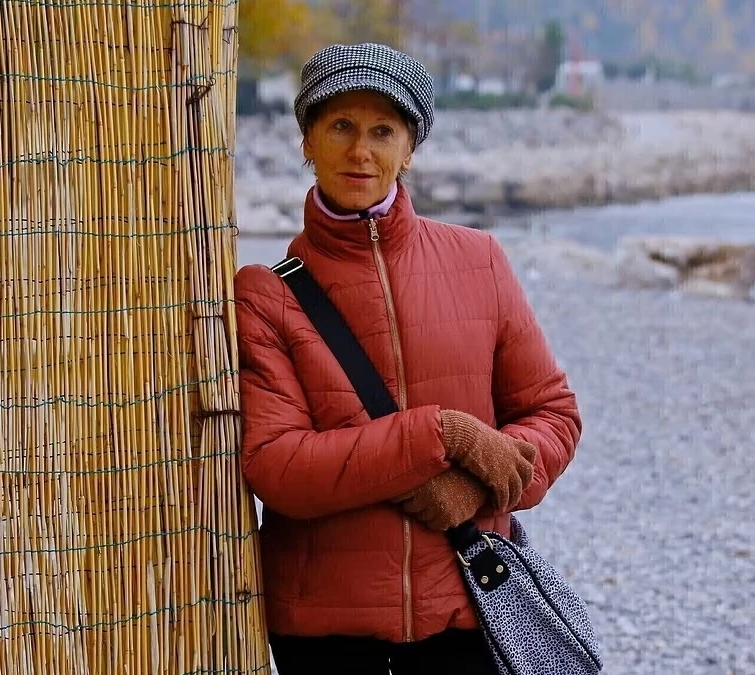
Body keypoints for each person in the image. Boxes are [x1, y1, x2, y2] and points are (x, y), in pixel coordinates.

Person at [233, 42, 583, 675]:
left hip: (468, 606)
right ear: (307, 140)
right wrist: (442, 433)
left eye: (383, 131)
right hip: (323, 627)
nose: (360, 151)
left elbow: (553, 414)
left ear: (410, 149)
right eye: (340, 126)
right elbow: (278, 467)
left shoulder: (479, 260)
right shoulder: (266, 294)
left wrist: (475, 490)